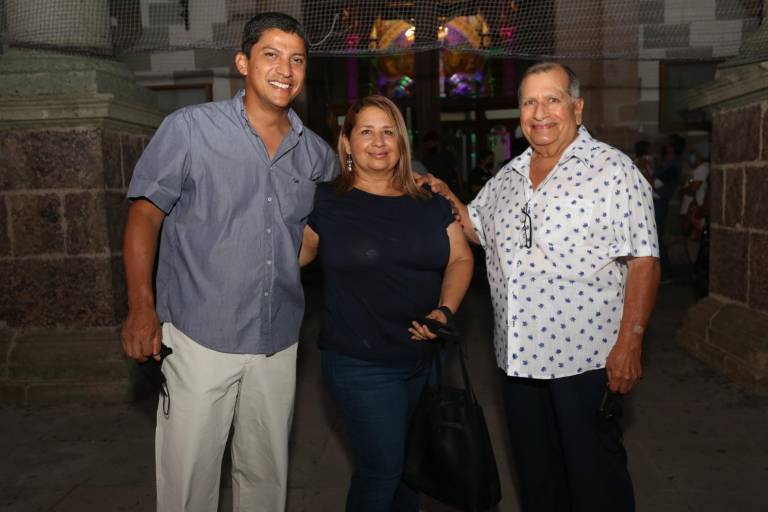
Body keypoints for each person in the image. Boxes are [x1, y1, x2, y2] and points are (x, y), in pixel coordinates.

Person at [120, 12, 338, 511]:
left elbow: (317, 234)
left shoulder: (317, 157)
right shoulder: (190, 130)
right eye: (271, 54)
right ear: (243, 62)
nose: (285, 68)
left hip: (277, 338)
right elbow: (144, 216)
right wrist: (140, 306)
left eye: (297, 58)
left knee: (265, 479)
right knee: (188, 482)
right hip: (200, 336)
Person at [428, 62, 660, 512]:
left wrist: (630, 343)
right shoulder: (510, 175)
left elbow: (645, 260)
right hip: (517, 361)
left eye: (552, 99)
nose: (540, 112)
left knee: (596, 480)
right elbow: (476, 228)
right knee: (538, 481)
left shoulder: (612, 170)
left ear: (577, 106)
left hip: (586, 361)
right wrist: (443, 193)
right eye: (529, 101)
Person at [299, 95, 474, 512]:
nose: (378, 142)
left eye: (388, 131)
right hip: (360, 362)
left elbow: (461, 257)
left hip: (424, 361)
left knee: (411, 470)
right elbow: (285, 260)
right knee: (382, 473)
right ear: (346, 143)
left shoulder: (428, 201)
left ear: (402, 142)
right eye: (366, 131)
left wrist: (444, 310)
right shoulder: (323, 202)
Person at [654, 133, 686, 281]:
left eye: (669, 144)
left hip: (660, 202)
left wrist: (645, 173)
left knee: (657, 238)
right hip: (657, 201)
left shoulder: (673, 165)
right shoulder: (667, 162)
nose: (666, 146)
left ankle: (666, 272)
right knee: (656, 237)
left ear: (673, 148)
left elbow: (656, 183)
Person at [679, 142, 710, 240]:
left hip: (698, 209)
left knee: (694, 237)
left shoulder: (703, 168)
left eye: (693, 154)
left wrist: (683, 190)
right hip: (693, 207)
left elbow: (694, 187)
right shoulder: (696, 169)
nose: (690, 157)